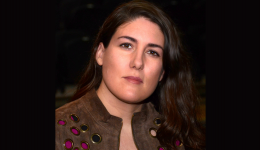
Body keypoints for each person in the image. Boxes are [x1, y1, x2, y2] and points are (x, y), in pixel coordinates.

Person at [55, 0, 206, 150]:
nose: (138, 62)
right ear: (100, 53)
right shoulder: (59, 130)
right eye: (126, 45)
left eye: (152, 52)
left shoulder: (178, 138)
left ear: (162, 72)